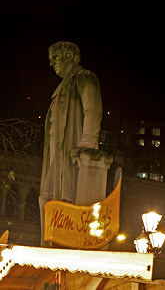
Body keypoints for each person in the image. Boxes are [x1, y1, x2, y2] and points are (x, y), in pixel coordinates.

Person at [39, 41, 102, 242]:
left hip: (71, 154)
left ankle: (62, 241)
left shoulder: (84, 78)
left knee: (62, 199)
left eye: (55, 58)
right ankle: (51, 241)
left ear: (69, 55)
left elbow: (92, 110)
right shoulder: (62, 87)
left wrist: (86, 146)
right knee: (47, 198)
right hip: (57, 156)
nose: (51, 64)